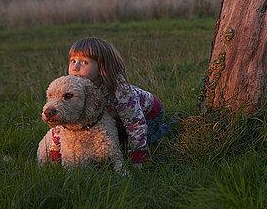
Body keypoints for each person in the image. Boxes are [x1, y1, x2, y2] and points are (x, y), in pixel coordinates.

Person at [47, 37, 174, 167]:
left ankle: (167, 128)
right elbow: (66, 115)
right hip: (117, 118)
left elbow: (136, 124)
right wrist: (56, 151)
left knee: (125, 143)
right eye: (73, 61)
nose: (75, 67)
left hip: (149, 114)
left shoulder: (119, 92)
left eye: (85, 62)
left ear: (102, 67)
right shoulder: (75, 89)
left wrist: (137, 158)